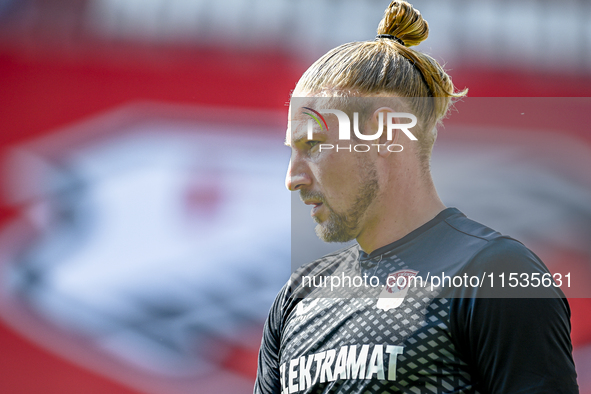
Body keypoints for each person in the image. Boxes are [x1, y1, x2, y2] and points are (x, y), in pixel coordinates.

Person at [254, 1, 579, 393]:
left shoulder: (492, 274)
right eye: (292, 150)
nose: (293, 177)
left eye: (314, 145)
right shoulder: (297, 298)